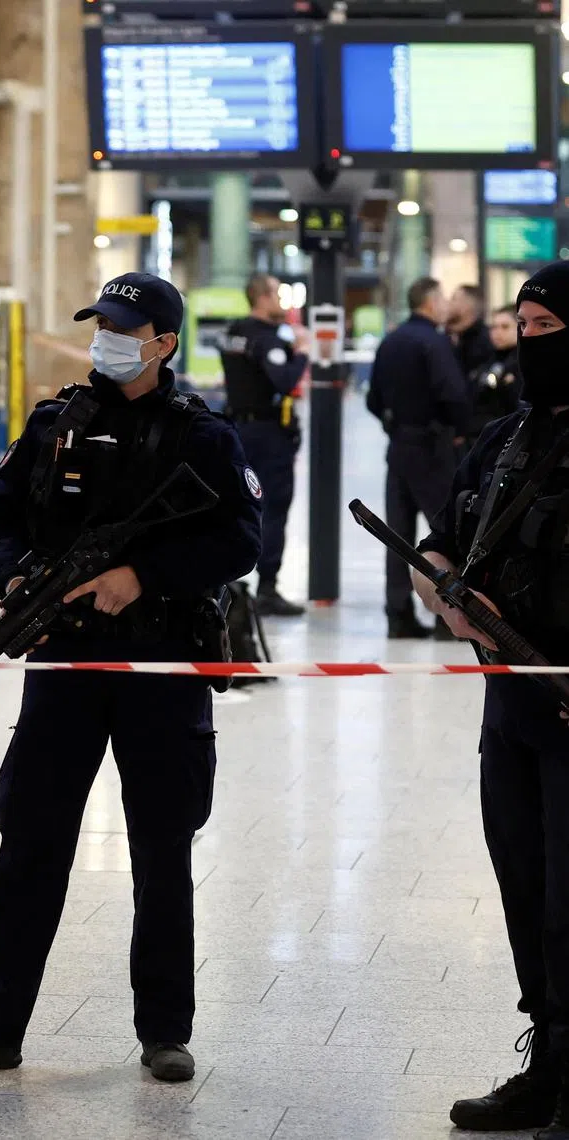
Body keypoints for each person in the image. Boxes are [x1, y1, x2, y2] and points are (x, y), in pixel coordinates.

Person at [0, 272, 261, 1083]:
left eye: (125, 327)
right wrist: (17, 576)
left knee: (161, 848)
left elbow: (241, 542)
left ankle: (165, 1030)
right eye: (102, 322)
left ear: (164, 344)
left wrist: (145, 575)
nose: (107, 337)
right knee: (30, 840)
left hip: (159, 662)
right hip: (64, 659)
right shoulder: (55, 420)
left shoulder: (203, 436)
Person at [415, 261, 569, 1140]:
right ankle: (546, 1067)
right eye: (523, 330)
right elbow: (438, 541)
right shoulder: (503, 439)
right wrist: (444, 588)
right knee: (524, 889)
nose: (528, 347)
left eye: (548, 332)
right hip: (508, 711)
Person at [367, 276, 471, 639]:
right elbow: (453, 392)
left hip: (399, 446)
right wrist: (459, 428)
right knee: (446, 533)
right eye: (441, 299)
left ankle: (399, 615)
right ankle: (447, 619)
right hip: (432, 447)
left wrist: (394, 425)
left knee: (398, 533)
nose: (445, 306)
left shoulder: (391, 340)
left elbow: (373, 399)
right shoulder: (434, 342)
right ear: (429, 302)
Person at [219, 273, 309, 617]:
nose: (281, 302)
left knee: (236, 506)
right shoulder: (267, 339)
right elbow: (285, 381)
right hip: (269, 435)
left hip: (237, 429)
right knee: (274, 507)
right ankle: (267, 587)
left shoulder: (233, 334)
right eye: (276, 295)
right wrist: (301, 353)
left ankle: (228, 582)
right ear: (262, 298)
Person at [465, 304, 522, 444]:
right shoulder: (487, 360)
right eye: (494, 327)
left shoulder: (522, 363)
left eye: (505, 327)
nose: (497, 332)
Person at [448, 283, 497, 383]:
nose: (449, 303)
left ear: (467, 306)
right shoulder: (447, 335)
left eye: (454, 299)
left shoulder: (487, 339)